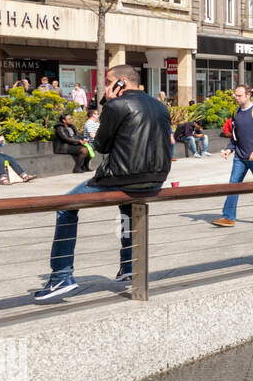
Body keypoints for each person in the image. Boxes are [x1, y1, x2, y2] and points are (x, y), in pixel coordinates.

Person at [36, 64, 172, 300]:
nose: (105, 87)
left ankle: (60, 276)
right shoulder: (159, 105)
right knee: (128, 208)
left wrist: (108, 104)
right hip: (156, 178)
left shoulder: (117, 105)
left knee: (66, 206)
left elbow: (100, 146)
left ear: (122, 83)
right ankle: (129, 267)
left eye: (109, 82)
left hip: (121, 176)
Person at [211, 85, 253, 228]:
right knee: (233, 185)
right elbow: (235, 136)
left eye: (239, 95)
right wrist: (229, 149)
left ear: (248, 95)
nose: (236, 98)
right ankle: (228, 217)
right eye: (235, 96)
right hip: (240, 156)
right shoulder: (237, 112)